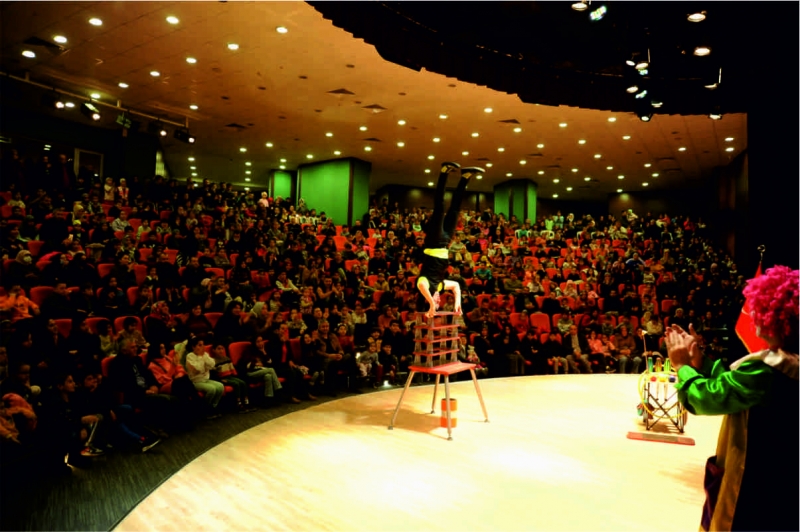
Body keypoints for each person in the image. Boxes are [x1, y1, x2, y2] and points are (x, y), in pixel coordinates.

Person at [665, 265, 798, 532]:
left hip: (756, 481)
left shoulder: (769, 368)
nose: (754, 317)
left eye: (759, 310)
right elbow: (733, 385)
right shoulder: (787, 363)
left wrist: (682, 367)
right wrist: (701, 363)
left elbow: (704, 398)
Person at [417, 162, 485, 318]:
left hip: (433, 242)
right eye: (439, 302)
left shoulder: (425, 283)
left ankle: (444, 172)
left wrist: (431, 306)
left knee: (439, 207)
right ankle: (465, 177)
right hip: (445, 243)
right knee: (455, 210)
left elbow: (422, 286)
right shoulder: (440, 286)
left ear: (428, 300)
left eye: (436, 301)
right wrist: (457, 304)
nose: (439, 301)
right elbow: (455, 287)